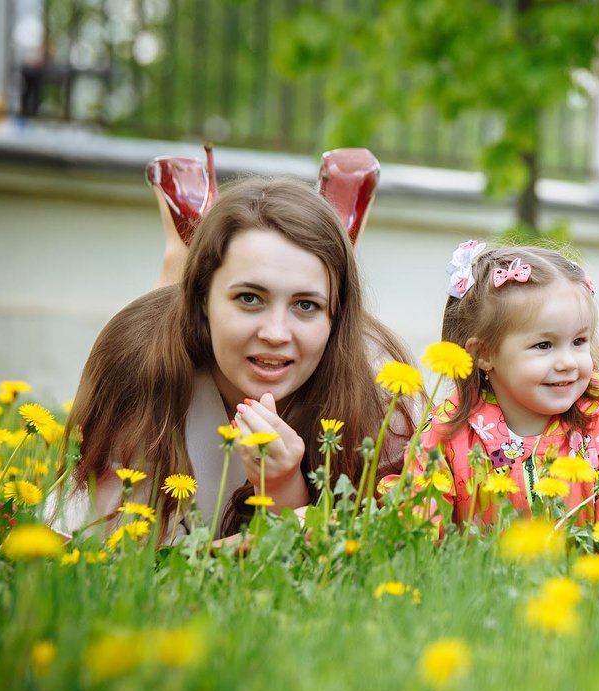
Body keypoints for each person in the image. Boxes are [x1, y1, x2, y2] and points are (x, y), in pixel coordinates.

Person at [58, 176, 418, 542]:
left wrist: (282, 486)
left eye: (306, 305)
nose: (276, 333)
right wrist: (279, 533)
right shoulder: (138, 361)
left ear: (336, 318)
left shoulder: (378, 390)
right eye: (249, 298)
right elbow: (114, 554)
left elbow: (370, 546)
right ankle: (179, 252)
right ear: (201, 299)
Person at [399, 241, 599, 527]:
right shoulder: (447, 435)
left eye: (579, 341)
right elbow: (415, 533)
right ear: (484, 354)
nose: (568, 362)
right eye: (544, 345)